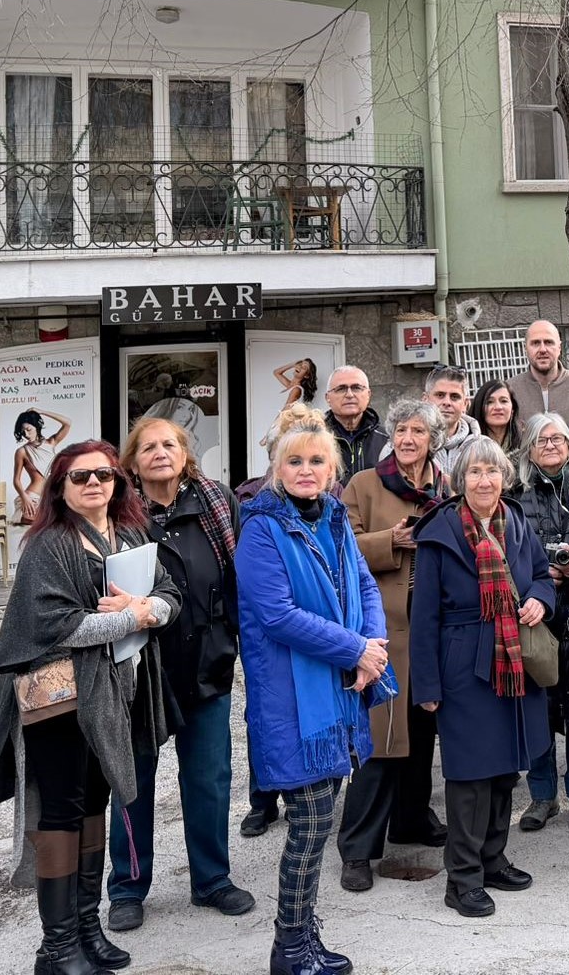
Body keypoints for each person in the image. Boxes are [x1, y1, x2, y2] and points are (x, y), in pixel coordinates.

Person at [0, 439, 180, 975]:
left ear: (118, 482)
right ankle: (57, 947)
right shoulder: (48, 546)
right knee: (62, 814)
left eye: (105, 475)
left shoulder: (132, 534)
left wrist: (146, 606)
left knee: (94, 806)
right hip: (59, 702)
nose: (95, 484)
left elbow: (170, 596)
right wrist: (135, 618)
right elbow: (57, 627)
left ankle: (89, 930)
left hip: (114, 696)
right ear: (61, 488)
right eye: (81, 477)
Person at [237, 405, 393, 975]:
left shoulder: (330, 515)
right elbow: (276, 616)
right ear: (277, 468)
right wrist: (355, 650)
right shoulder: (260, 528)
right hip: (292, 697)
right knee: (307, 825)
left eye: (317, 461)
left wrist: (372, 645)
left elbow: (363, 582)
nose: (306, 470)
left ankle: (302, 936)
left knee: (318, 821)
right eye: (295, 461)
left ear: (333, 471)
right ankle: (290, 948)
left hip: (340, 683)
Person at [106, 418, 254, 933]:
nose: (160, 453)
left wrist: (236, 640)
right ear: (133, 460)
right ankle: (127, 887)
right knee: (133, 782)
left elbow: (242, 574)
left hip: (207, 663)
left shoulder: (214, 501)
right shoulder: (116, 514)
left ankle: (212, 879)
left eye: (169, 443)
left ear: (185, 451)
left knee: (210, 779)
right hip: (138, 671)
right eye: (148, 447)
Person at [411, 438, 556, 918]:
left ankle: (493, 860)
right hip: (463, 665)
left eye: (492, 471)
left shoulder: (516, 522)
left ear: (504, 477)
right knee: (470, 776)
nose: (484, 481)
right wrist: (427, 686)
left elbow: (541, 574)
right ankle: (463, 878)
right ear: (458, 479)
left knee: (504, 769)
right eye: (474, 472)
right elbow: (424, 616)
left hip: (513, 659)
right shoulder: (438, 532)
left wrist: (539, 597)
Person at [334, 399, 451, 892]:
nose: (407, 439)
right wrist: (391, 541)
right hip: (383, 631)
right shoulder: (363, 483)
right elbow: (338, 546)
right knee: (381, 743)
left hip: (432, 629)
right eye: (401, 430)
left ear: (432, 440)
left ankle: (411, 819)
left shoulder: (445, 488)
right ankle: (358, 850)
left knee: (422, 735)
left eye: (417, 432)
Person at [508, 413, 569, 833]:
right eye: (540, 440)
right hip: (534, 615)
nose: (549, 446)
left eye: (557, 438)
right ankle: (541, 797)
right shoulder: (515, 493)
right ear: (527, 449)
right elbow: (507, 551)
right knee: (538, 709)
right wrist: (534, 576)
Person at [509, 319, 569, 424]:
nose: (543, 349)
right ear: (525, 348)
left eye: (548, 342)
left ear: (559, 347)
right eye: (535, 343)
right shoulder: (509, 392)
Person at [325, 366, 388, 480]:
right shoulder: (314, 437)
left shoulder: (387, 440)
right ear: (328, 398)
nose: (349, 394)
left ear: (368, 395)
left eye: (356, 388)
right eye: (341, 389)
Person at [11, 407, 73, 524]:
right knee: (41, 525)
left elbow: (67, 423)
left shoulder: (51, 443)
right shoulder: (22, 451)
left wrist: (42, 411)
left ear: (37, 427)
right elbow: (16, 480)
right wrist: (25, 498)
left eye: (29, 429)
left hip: (52, 497)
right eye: (23, 431)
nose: (26, 434)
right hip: (32, 498)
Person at [423, 365, 483, 476]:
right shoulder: (405, 445)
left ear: (465, 404)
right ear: (425, 400)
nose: (447, 402)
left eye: (454, 397)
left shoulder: (484, 447)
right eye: (440, 395)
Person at [473, 378, 524, 453]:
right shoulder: (470, 445)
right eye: (490, 402)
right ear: (480, 408)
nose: (498, 407)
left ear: (513, 409)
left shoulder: (526, 444)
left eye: (503, 401)